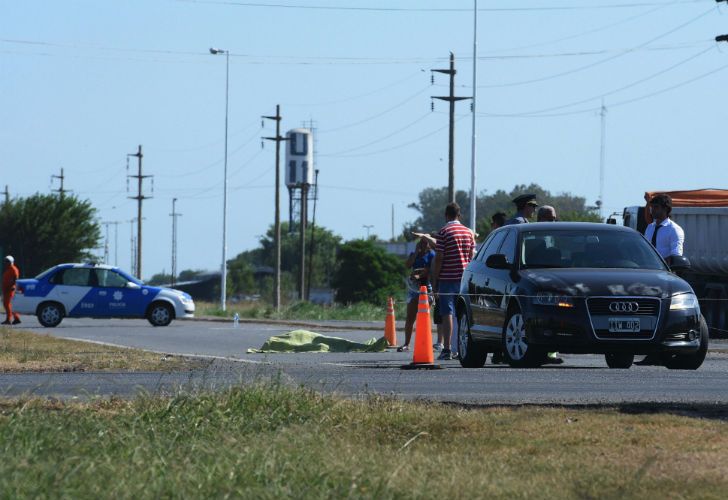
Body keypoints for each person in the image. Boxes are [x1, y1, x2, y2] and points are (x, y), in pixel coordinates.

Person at [636, 193, 685, 366]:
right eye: (651, 206)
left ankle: (658, 354)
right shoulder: (650, 228)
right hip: (647, 276)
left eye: (656, 207)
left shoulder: (674, 230)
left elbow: (675, 256)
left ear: (666, 209)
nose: (652, 210)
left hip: (664, 277)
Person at [432, 202, 475, 360]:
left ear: (446, 215)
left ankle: (448, 349)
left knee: (447, 313)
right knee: (462, 313)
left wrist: (435, 279)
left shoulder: (443, 232)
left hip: (447, 278)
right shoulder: (468, 232)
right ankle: (461, 348)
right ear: (459, 215)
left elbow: (439, 258)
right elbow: (471, 257)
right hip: (464, 278)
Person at [535, 205, 564, 365]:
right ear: (540, 219)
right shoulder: (532, 237)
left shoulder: (556, 237)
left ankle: (551, 353)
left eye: (554, 219)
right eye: (550, 219)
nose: (554, 222)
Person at [397, 236, 436, 352]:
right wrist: (415, 253)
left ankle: (425, 343)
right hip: (414, 287)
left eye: (426, 243)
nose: (423, 245)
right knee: (410, 317)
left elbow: (430, 270)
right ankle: (406, 344)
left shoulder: (431, 255)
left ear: (429, 244)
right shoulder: (414, 254)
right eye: (421, 243)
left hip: (426, 286)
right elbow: (408, 265)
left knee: (424, 317)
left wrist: (419, 275)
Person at [2, 255, 21, 325]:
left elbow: (16, 278)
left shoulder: (13, 268)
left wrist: (13, 285)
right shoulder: (8, 269)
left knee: (7, 304)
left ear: (11, 262)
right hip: (6, 289)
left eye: (8, 261)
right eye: (5, 261)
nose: (6, 263)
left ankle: (9, 319)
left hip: (10, 289)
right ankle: (16, 318)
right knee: (9, 304)